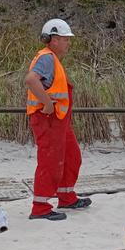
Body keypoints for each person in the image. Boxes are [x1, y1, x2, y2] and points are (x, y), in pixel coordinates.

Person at [25, 19, 91, 221]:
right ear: (53, 39)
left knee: (72, 156)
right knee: (50, 161)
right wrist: (47, 103)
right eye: (64, 39)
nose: (68, 43)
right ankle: (40, 208)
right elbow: (30, 80)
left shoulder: (53, 58)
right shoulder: (46, 58)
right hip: (49, 119)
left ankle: (66, 197)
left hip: (59, 120)